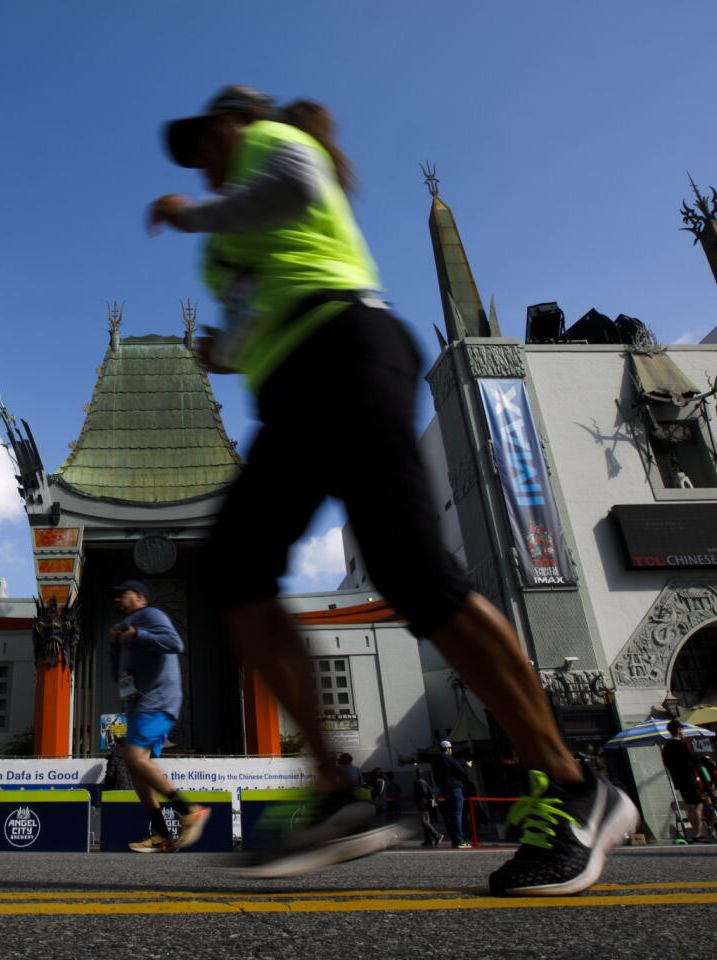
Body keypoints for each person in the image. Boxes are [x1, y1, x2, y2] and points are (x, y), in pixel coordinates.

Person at [149, 86, 636, 893]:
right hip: (294, 389)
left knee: (413, 577)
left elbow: (299, 194)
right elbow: (248, 322)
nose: (200, 158)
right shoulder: (221, 244)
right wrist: (222, 352)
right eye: (191, 151)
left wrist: (192, 212)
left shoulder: (273, 146)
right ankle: (337, 795)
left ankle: (579, 787)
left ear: (235, 122)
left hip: (351, 348)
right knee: (235, 569)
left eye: (203, 138)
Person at [108, 581, 208, 853]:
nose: (117, 599)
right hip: (139, 705)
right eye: (114, 596)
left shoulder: (151, 616)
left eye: (122, 594)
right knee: (137, 766)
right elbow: (116, 676)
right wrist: (115, 645)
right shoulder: (126, 628)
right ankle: (162, 833)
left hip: (157, 701)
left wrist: (138, 634)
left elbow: (175, 644)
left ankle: (189, 810)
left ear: (140, 597)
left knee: (134, 758)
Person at [659, 721, 706, 842]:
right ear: (679, 730)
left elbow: (667, 763)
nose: (683, 732)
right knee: (698, 803)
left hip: (678, 780)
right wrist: (702, 760)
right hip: (688, 778)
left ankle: (694, 833)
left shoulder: (666, 747)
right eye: (682, 729)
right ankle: (698, 833)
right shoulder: (681, 744)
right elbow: (692, 758)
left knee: (690, 805)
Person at [432, 740, 473, 849]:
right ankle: (459, 841)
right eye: (451, 749)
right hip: (454, 789)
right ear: (448, 748)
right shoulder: (449, 759)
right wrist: (467, 766)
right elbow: (462, 772)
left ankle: (455, 841)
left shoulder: (436, 761)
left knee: (450, 817)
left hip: (443, 791)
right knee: (457, 816)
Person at [413, 764, 444, 846]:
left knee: (424, 822)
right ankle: (428, 840)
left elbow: (424, 793)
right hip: (425, 804)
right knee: (426, 822)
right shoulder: (422, 782)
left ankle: (437, 835)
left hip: (423, 805)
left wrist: (421, 800)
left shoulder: (419, 782)